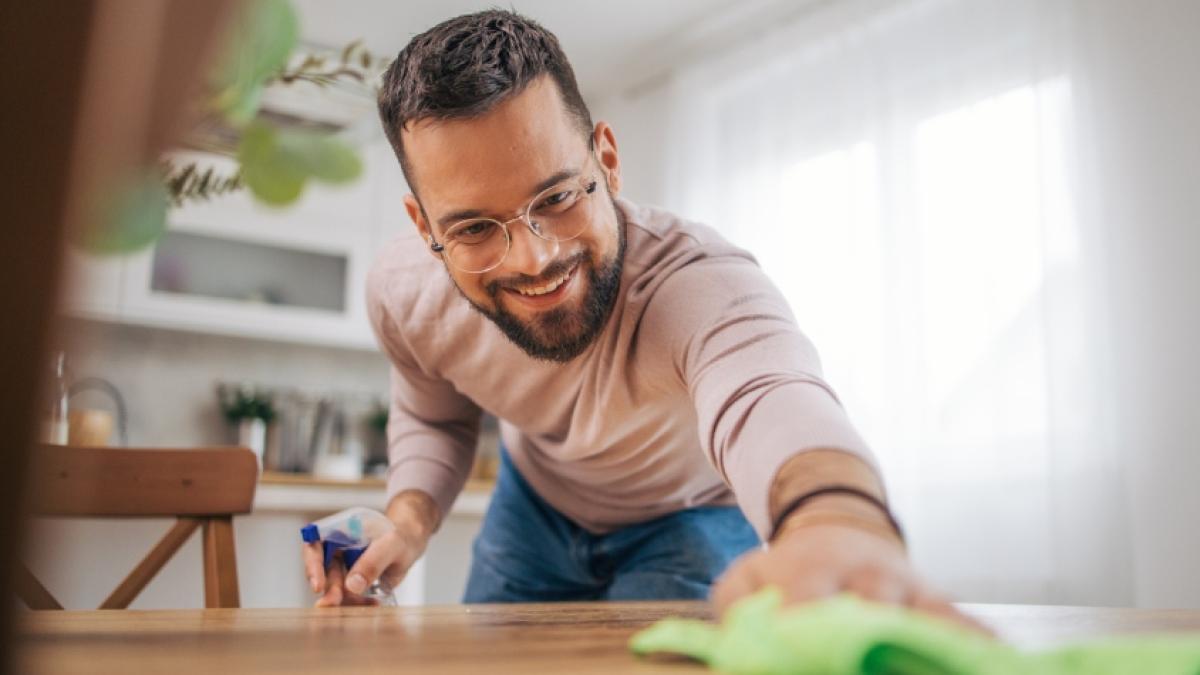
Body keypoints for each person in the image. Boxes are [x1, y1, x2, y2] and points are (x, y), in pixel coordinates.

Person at [303, 9, 971, 626]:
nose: (535, 257)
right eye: (476, 226)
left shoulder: (698, 283)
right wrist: (409, 518)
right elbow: (435, 414)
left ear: (609, 161)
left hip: (690, 515)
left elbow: (772, 398)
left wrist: (837, 521)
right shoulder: (405, 293)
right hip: (532, 508)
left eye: (558, 195)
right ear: (424, 227)